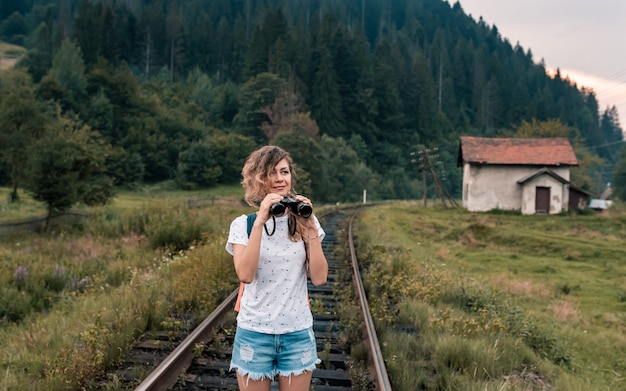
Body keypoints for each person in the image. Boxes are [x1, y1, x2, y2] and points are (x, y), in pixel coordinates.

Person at [225, 145, 328, 390]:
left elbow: (320, 277)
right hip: (254, 333)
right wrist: (260, 221)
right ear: (259, 179)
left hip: (297, 332)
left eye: (284, 171)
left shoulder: (304, 223)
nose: (280, 179)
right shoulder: (244, 225)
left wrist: (311, 227)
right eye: (272, 173)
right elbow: (245, 275)